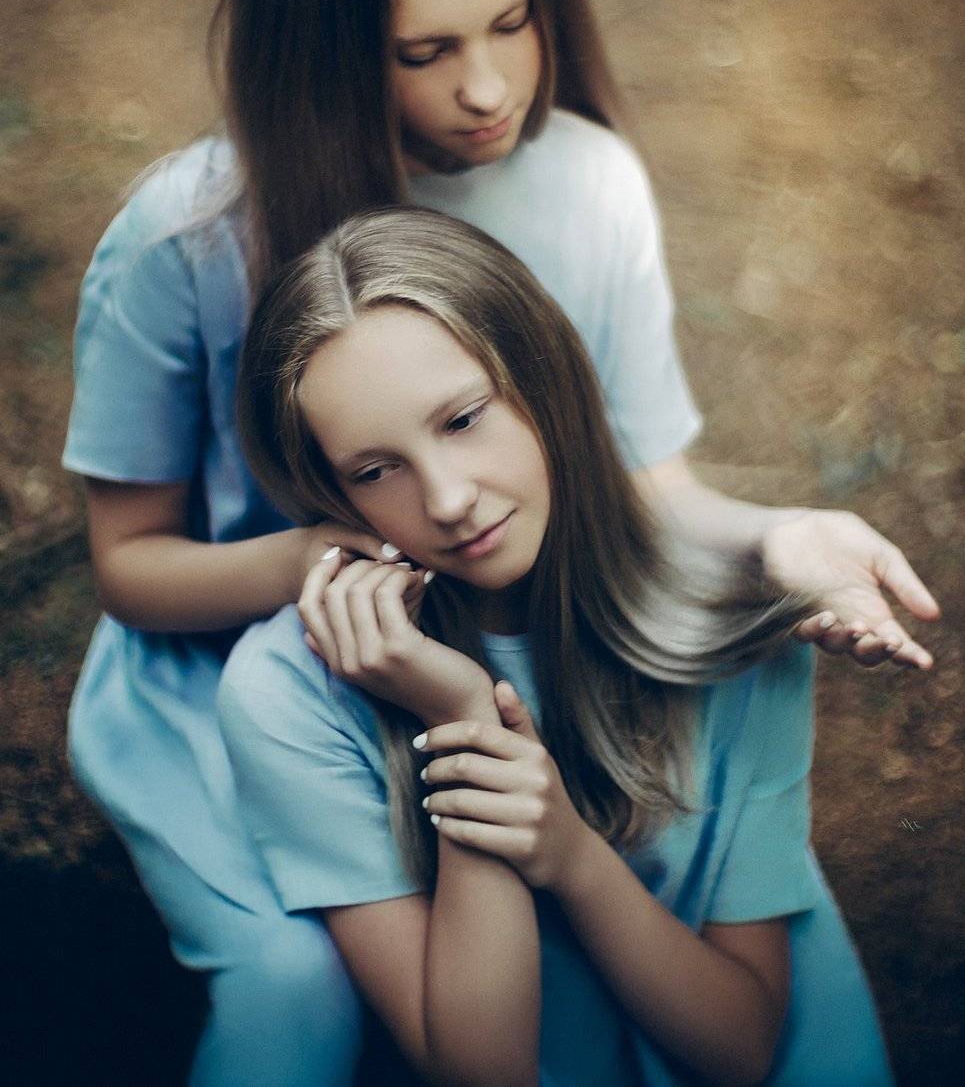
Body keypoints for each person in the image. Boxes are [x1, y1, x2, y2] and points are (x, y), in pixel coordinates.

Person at [63, 0, 933, 1085]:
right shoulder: (182, 241)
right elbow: (129, 563)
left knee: (770, 987)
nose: (485, 89)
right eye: (421, 53)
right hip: (248, 668)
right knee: (296, 995)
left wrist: (783, 537)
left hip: (518, 627)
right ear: (324, 46)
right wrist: (342, 566)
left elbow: (642, 488)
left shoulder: (581, 181)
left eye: (511, 24)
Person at [220, 204, 894, 1087]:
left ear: (545, 382)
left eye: (463, 420)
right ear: (331, 494)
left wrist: (571, 857)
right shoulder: (287, 693)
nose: (450, 499)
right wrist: (461, 718)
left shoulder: (731, 631)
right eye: (375, 470)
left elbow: (739, 1049)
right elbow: (482, 1071)